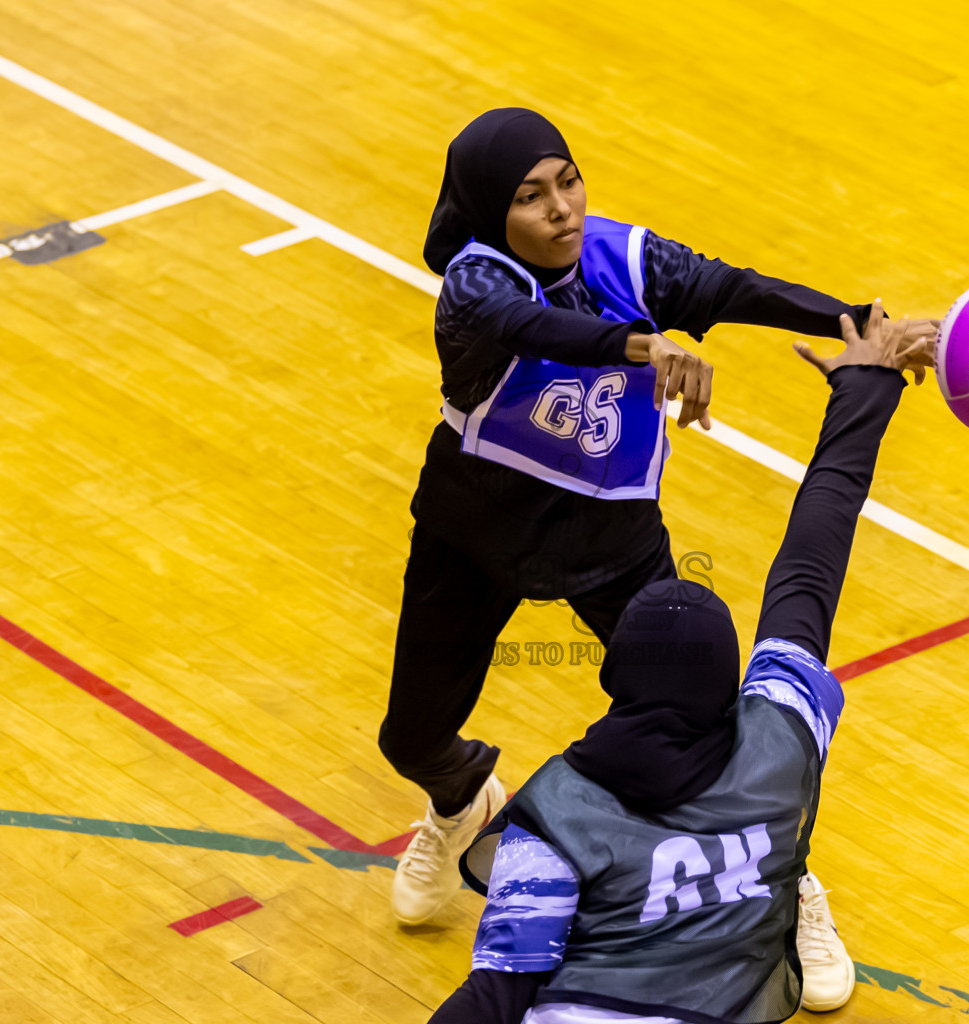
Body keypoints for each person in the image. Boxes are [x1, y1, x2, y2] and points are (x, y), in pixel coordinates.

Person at [383, 106, 936, 938]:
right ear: (493, 209)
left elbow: (730, 287)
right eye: (531, 197)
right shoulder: (473, 283)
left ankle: (788, 889)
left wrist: (861, 324)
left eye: (568, 181)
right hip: (474, 531)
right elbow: (534, 327)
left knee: (715, 740)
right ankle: (461, 803)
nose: (562, 207)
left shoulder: (625, 259)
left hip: (613, 537)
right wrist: (641, 348)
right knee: (412, 737)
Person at [430, 302, 932, 1023]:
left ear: (615, 677)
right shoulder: (781, 739)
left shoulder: (557, 810)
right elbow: (810, 565)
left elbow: (500, 993)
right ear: (731, 683)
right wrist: (866, 390)